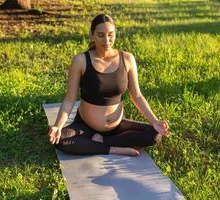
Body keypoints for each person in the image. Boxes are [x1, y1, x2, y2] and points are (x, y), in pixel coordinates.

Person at [47, 14, 170, 156]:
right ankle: (114, 148)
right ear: (92, 35)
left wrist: (155, 121)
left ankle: (102, 142)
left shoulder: (127, 59)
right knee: (61, 139)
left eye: (111, 35)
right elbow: (69, 99)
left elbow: (137, 95)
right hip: (86, 126)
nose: (107, 40)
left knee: (154, 135)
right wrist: (57, 126)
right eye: (101, 35)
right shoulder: (81, 61)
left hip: (116, 125)